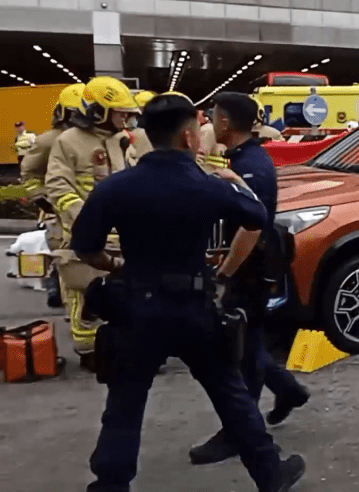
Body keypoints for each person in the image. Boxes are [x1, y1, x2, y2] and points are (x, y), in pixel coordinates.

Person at [70, 93, 305, 492]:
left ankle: (109, 485)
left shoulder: (116, 188)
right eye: (198, 130)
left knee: (124, 404)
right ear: (187, 137)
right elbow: (257, 217)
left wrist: (117, 266)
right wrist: (235, 183)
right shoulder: (206, 186)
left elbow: (86, 247)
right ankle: (269, 472)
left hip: (136, 306)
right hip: (194, 308)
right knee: (230, 395)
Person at [189, 92, 310, 465]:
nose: (208, 123)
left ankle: (238, 433)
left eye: (212, 116)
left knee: (237, 352)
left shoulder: (253, 165)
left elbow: (251, 227)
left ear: (225, 123)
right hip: (249, 268)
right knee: (248, 341)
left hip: (250, 270)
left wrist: (225, 273)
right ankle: (287, 389)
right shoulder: (240, 160)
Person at [45, 77, 140, 370]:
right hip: (80, 234)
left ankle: (124, 347)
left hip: (119, 234)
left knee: (123, 290)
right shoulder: (68, 141)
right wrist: (85, 219)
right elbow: (58, 186)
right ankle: (89, 352)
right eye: (119, 111)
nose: (125, 117)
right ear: (98, 110)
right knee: (82, 293)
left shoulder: (121, 140)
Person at [21, 84, 88, 309]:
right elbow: (29, 172)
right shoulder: (49, 140)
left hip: (88, 205)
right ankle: (69, 301)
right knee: (67, 255)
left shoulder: (98, 138)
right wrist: (41, 198)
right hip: (59, 208)